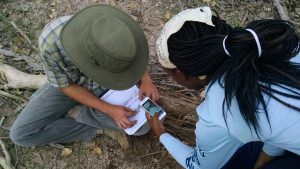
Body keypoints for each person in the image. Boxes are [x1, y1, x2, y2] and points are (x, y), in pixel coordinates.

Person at [147, 6, 300, 169]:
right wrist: (265, 158)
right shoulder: (269, 43)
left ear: (181, 73)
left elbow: (200, 166)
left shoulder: (216, 114)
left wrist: (162, 134)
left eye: (171, 74)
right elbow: (281, 119)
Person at [9, 5, 158, 147]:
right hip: (72, 85)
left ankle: (84, 114)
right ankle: (82, 115)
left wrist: (145, 79)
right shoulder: (51, 42)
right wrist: (108, 109)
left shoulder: (114, 28)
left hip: (111, 82)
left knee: (141, 127)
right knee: (21, 135)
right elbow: (65, 86)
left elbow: (133, 53)